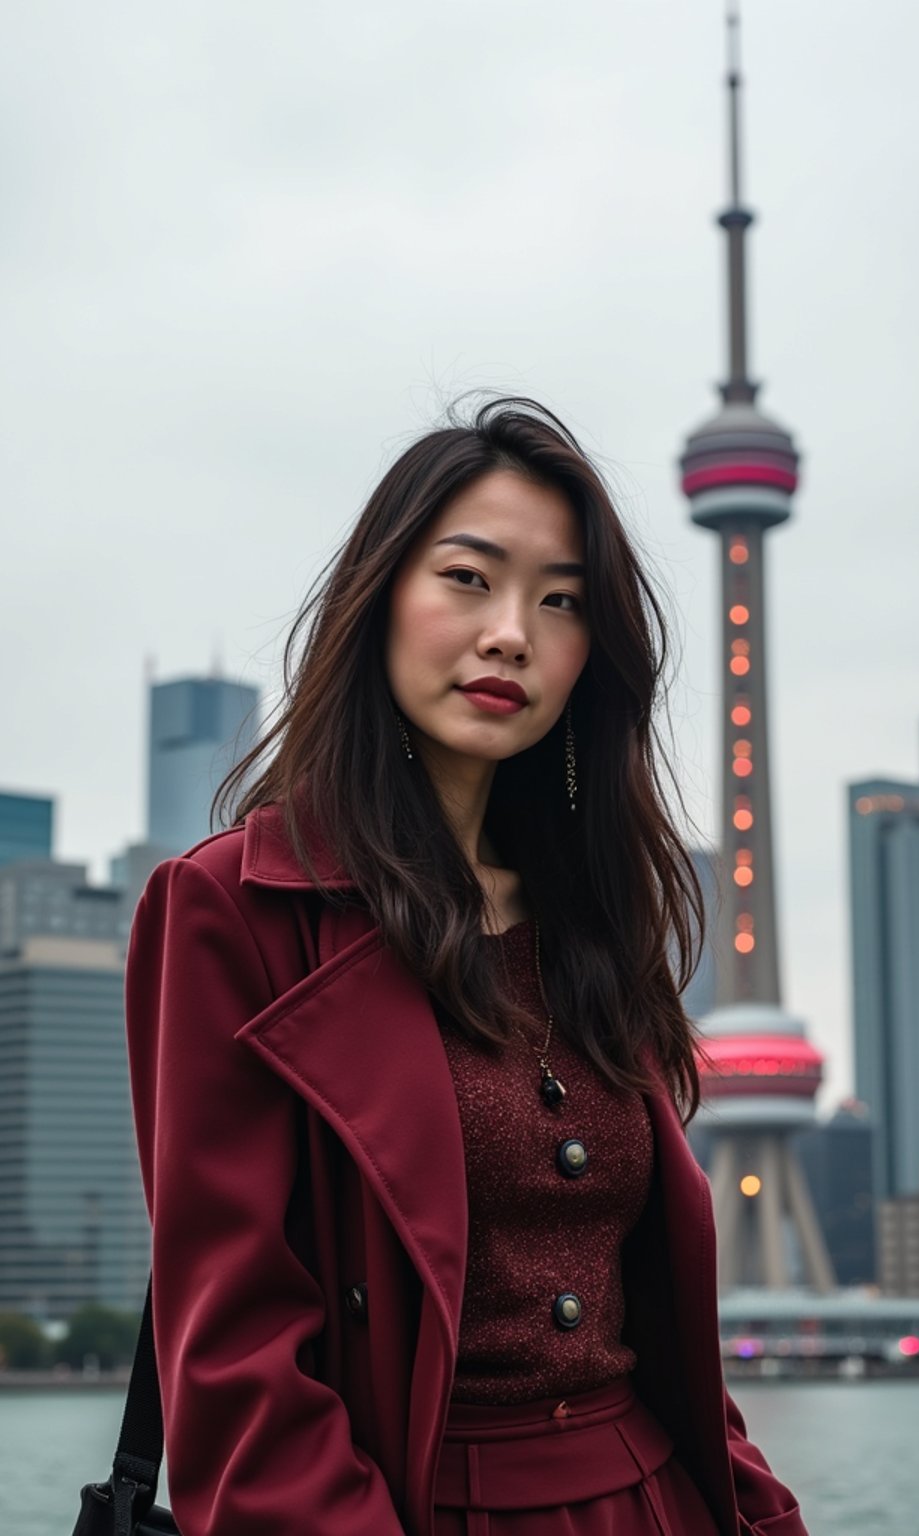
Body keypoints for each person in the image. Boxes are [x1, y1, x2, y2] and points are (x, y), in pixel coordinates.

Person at [125, 398, 809, 1536]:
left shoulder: (595, 917)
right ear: (380, 594)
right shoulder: (233, 913)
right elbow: (237, 1361)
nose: (512, 635)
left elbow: (668, 1335)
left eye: (561, 602)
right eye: (468, 579)